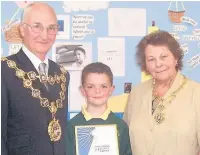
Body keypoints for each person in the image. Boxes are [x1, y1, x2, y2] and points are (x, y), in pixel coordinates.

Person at [1, 2, 70, 155]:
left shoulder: (62, 74)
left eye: (51, 28)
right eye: (37, 26)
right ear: (22, 29)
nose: (44, 35)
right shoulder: (4, 70)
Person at [123, 30, 200, 155]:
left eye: (163, 57)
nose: (158, 64)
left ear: (176, 58)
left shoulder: (197, 93)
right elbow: (125, 142)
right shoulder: (136, 93)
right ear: (146, 64)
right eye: (151, 59)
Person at [66, 62, 132, 155]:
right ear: (83, 91)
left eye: (103, 86)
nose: (97, 91)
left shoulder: (121, 126)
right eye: (90, 86)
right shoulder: (72, 126)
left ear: (111, 90)